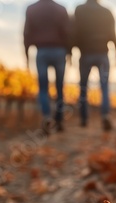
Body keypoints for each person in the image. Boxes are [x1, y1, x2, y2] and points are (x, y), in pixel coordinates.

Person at [24, 0, 71, 133]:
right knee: (60, 88)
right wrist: (70, 52)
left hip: (42, 51)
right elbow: (67, 32)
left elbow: (27, 33)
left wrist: (27, 55)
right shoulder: (61, 9)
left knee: (43, 88)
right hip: (59, 51)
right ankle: (59, 120)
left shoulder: (32, 9)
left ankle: (46, 116)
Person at [73, 0, 116, 131]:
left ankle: (83, 118)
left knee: (83, 87)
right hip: (102, 53)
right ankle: (105, 115)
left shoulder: (79, 10)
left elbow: (74, 31)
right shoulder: (106, 11)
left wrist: (70, 50)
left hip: (85, 53)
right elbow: (113, 33)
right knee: (104, 87)